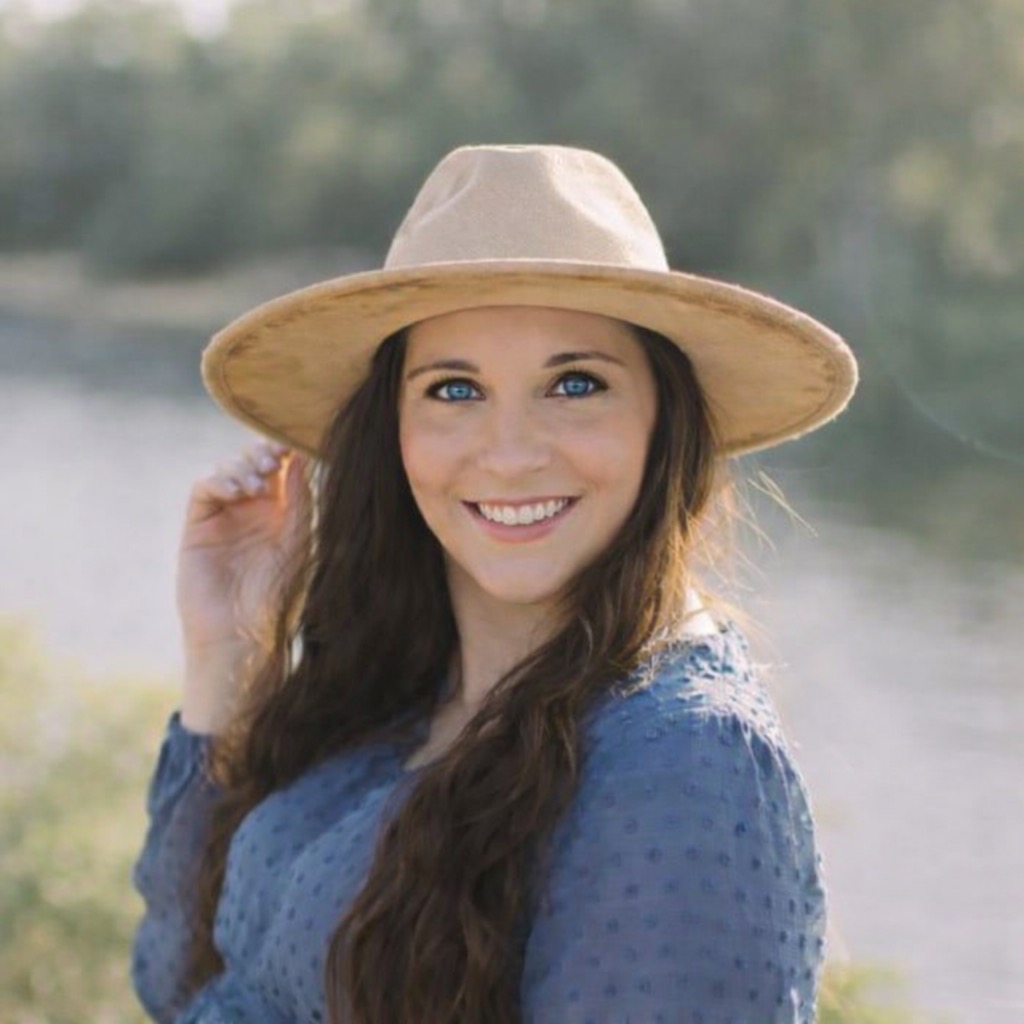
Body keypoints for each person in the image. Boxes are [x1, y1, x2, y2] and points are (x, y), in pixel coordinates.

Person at [130, 143, 858, 1024]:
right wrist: (227, 651)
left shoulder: (681, 761)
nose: (510, 455)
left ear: (664, 422)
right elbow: (180, 980)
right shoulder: (398, 689)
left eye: (575, 383)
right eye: (454, 390)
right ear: (392, 430)